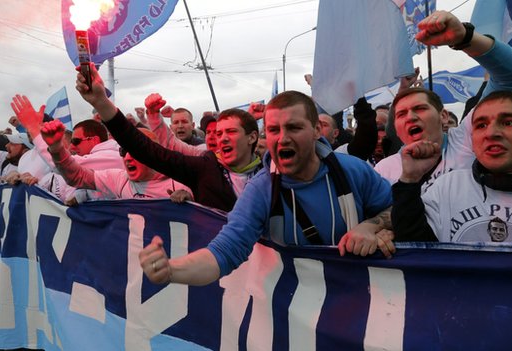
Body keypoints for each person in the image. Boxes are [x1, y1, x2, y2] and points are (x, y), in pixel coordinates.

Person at [137, 90, 395, 286]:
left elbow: (398, 211)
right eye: (273, 130)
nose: (283, 138)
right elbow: (224, 251)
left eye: (293, 127)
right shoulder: (261, 189)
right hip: (300, 309)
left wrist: (371, 226)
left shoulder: (352, 170)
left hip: (365, 298)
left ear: (317, 130)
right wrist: (173, 271)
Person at [375, 11, 512, 193]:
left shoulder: (468, 138)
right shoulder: (383, 171)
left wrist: (465, 38)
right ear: (395, 126)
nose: (410, 117)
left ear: (443, 116)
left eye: (420, 108)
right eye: (401, 114)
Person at [391, 91, 512, 243]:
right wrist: (409, 181)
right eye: (481, 125)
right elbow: (418, 254)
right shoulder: (447, 188)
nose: (491, 133)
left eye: (509, 122)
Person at [75, 69, 262, 212]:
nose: (222, 139)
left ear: (252, 137)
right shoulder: (205, 167)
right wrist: (101, 102)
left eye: (231, 132)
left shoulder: (271, 173)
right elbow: (146, 149)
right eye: (219, 133)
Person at [40, 120, 193, 201]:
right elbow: (77, 177)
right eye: (123, 151)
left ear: (154, 154)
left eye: (135, 152)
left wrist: (190, 201)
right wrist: (56, 148)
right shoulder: (119, 179)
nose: (127, 157)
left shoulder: (178, 184)